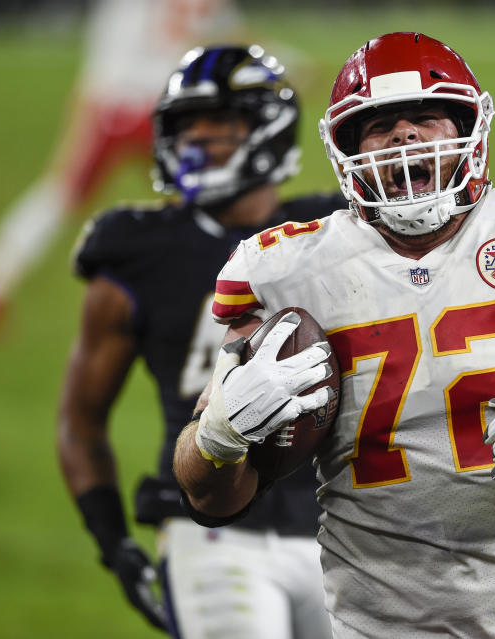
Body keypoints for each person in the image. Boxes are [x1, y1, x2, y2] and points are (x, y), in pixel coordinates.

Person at [174, 32, 495, 639]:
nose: (403, 135)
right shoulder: (286, 271)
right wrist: (218, 435)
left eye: (426, 117)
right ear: (346, 147)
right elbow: (209, 498)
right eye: (379, 124)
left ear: (468, 132)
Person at [57, 45, 342, 638]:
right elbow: (80, 422)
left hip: (340, 527)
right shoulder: (136, 250)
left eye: (221, 122)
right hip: (208, 528)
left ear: (268, 130)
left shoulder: (338, 232)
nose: (200, 138)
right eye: (188, 124)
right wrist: (113, 541)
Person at [0, 0, 244, 336]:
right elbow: (228, 35)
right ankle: (231, 290)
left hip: (118, 107)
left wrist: (77, 124)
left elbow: (100, 72)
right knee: (213, 200)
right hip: (162, 112)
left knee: (61, 193)